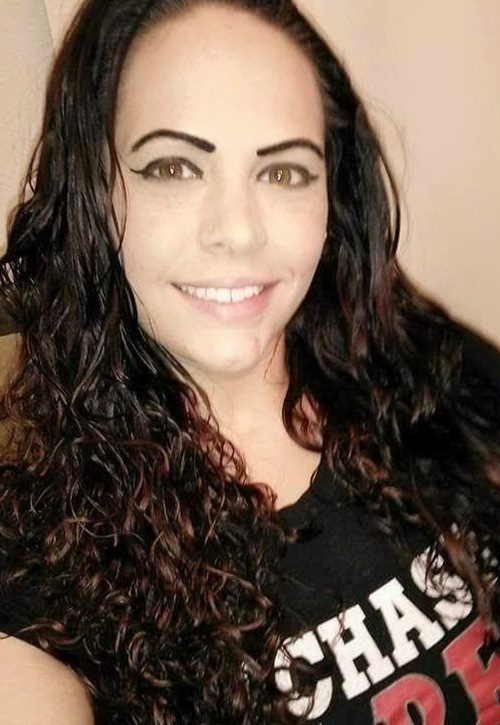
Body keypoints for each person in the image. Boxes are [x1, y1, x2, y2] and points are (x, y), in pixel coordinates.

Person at [0, 0, 499, 722]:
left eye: (284, 171)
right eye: (173, 166)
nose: (237, 231)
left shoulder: (430, 369)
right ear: (94, 196)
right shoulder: (42, 572)